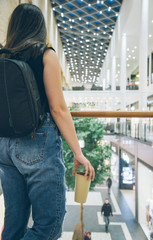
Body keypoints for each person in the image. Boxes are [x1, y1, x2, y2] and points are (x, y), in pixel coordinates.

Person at [0, 3, 95, 240]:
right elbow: (58, 108)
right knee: (49, 225)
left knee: (14, 221)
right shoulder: (45, 54)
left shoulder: (2, 55)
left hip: (4, 147)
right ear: (40, 27)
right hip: (37, 144)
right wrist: (78, 152)